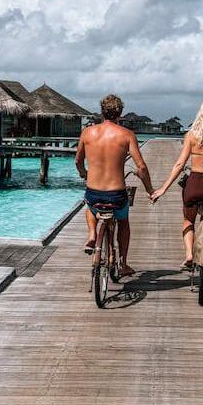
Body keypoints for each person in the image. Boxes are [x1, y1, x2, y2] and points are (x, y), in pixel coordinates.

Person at [150, 98, 203, 269]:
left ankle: (189, 255)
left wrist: (163, 189)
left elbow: (180, 164)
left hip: (195, 184)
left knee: (188, 220)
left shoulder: (191, 136)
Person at [75, 94, 154, 278]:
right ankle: (123, 263)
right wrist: (150, 189)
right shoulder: (126, 135)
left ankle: (92, 234)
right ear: (120, 113)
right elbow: (141, 166)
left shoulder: (87, 133)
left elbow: (78, 160)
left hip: (93, 193)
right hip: (117, 195)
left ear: (102, 111)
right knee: (124, 222)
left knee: (89, 208)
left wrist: (84, 174)